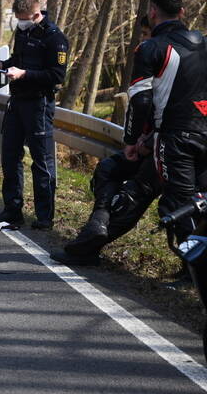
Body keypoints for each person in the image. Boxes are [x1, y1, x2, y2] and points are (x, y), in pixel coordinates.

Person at [50, 17, 156, 266]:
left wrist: (142, 140)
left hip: (169, 148)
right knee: (108, 170)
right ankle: (96, 226)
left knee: (134, 198)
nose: (142, 40)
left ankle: (86, 247)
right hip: (152, 144)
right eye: (141, 34)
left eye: (146, 33)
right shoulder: (166, 57)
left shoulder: (168, 57)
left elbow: (158, 106)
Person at [124, 0, 207, 244]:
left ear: (152, 13)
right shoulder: (203, 43)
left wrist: (131, 139)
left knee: (180, 204)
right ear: (182, 12)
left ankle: (190, 272)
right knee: (201, 201)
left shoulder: (150, 47)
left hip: (174, 137)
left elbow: (141, 100)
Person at [0, 0, 69, 230]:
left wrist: (24, 74)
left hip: (39, 104)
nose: (20, 23)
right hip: (17, 101)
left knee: (41, 162)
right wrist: (2, 65)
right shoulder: (23, 31)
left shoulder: (55, 39)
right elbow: (18, 59)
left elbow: (57, 75)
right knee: (10, 156)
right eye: (18, 19)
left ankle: (44, 216)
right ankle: (12, 210)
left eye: (24, 19)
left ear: (37, 14)